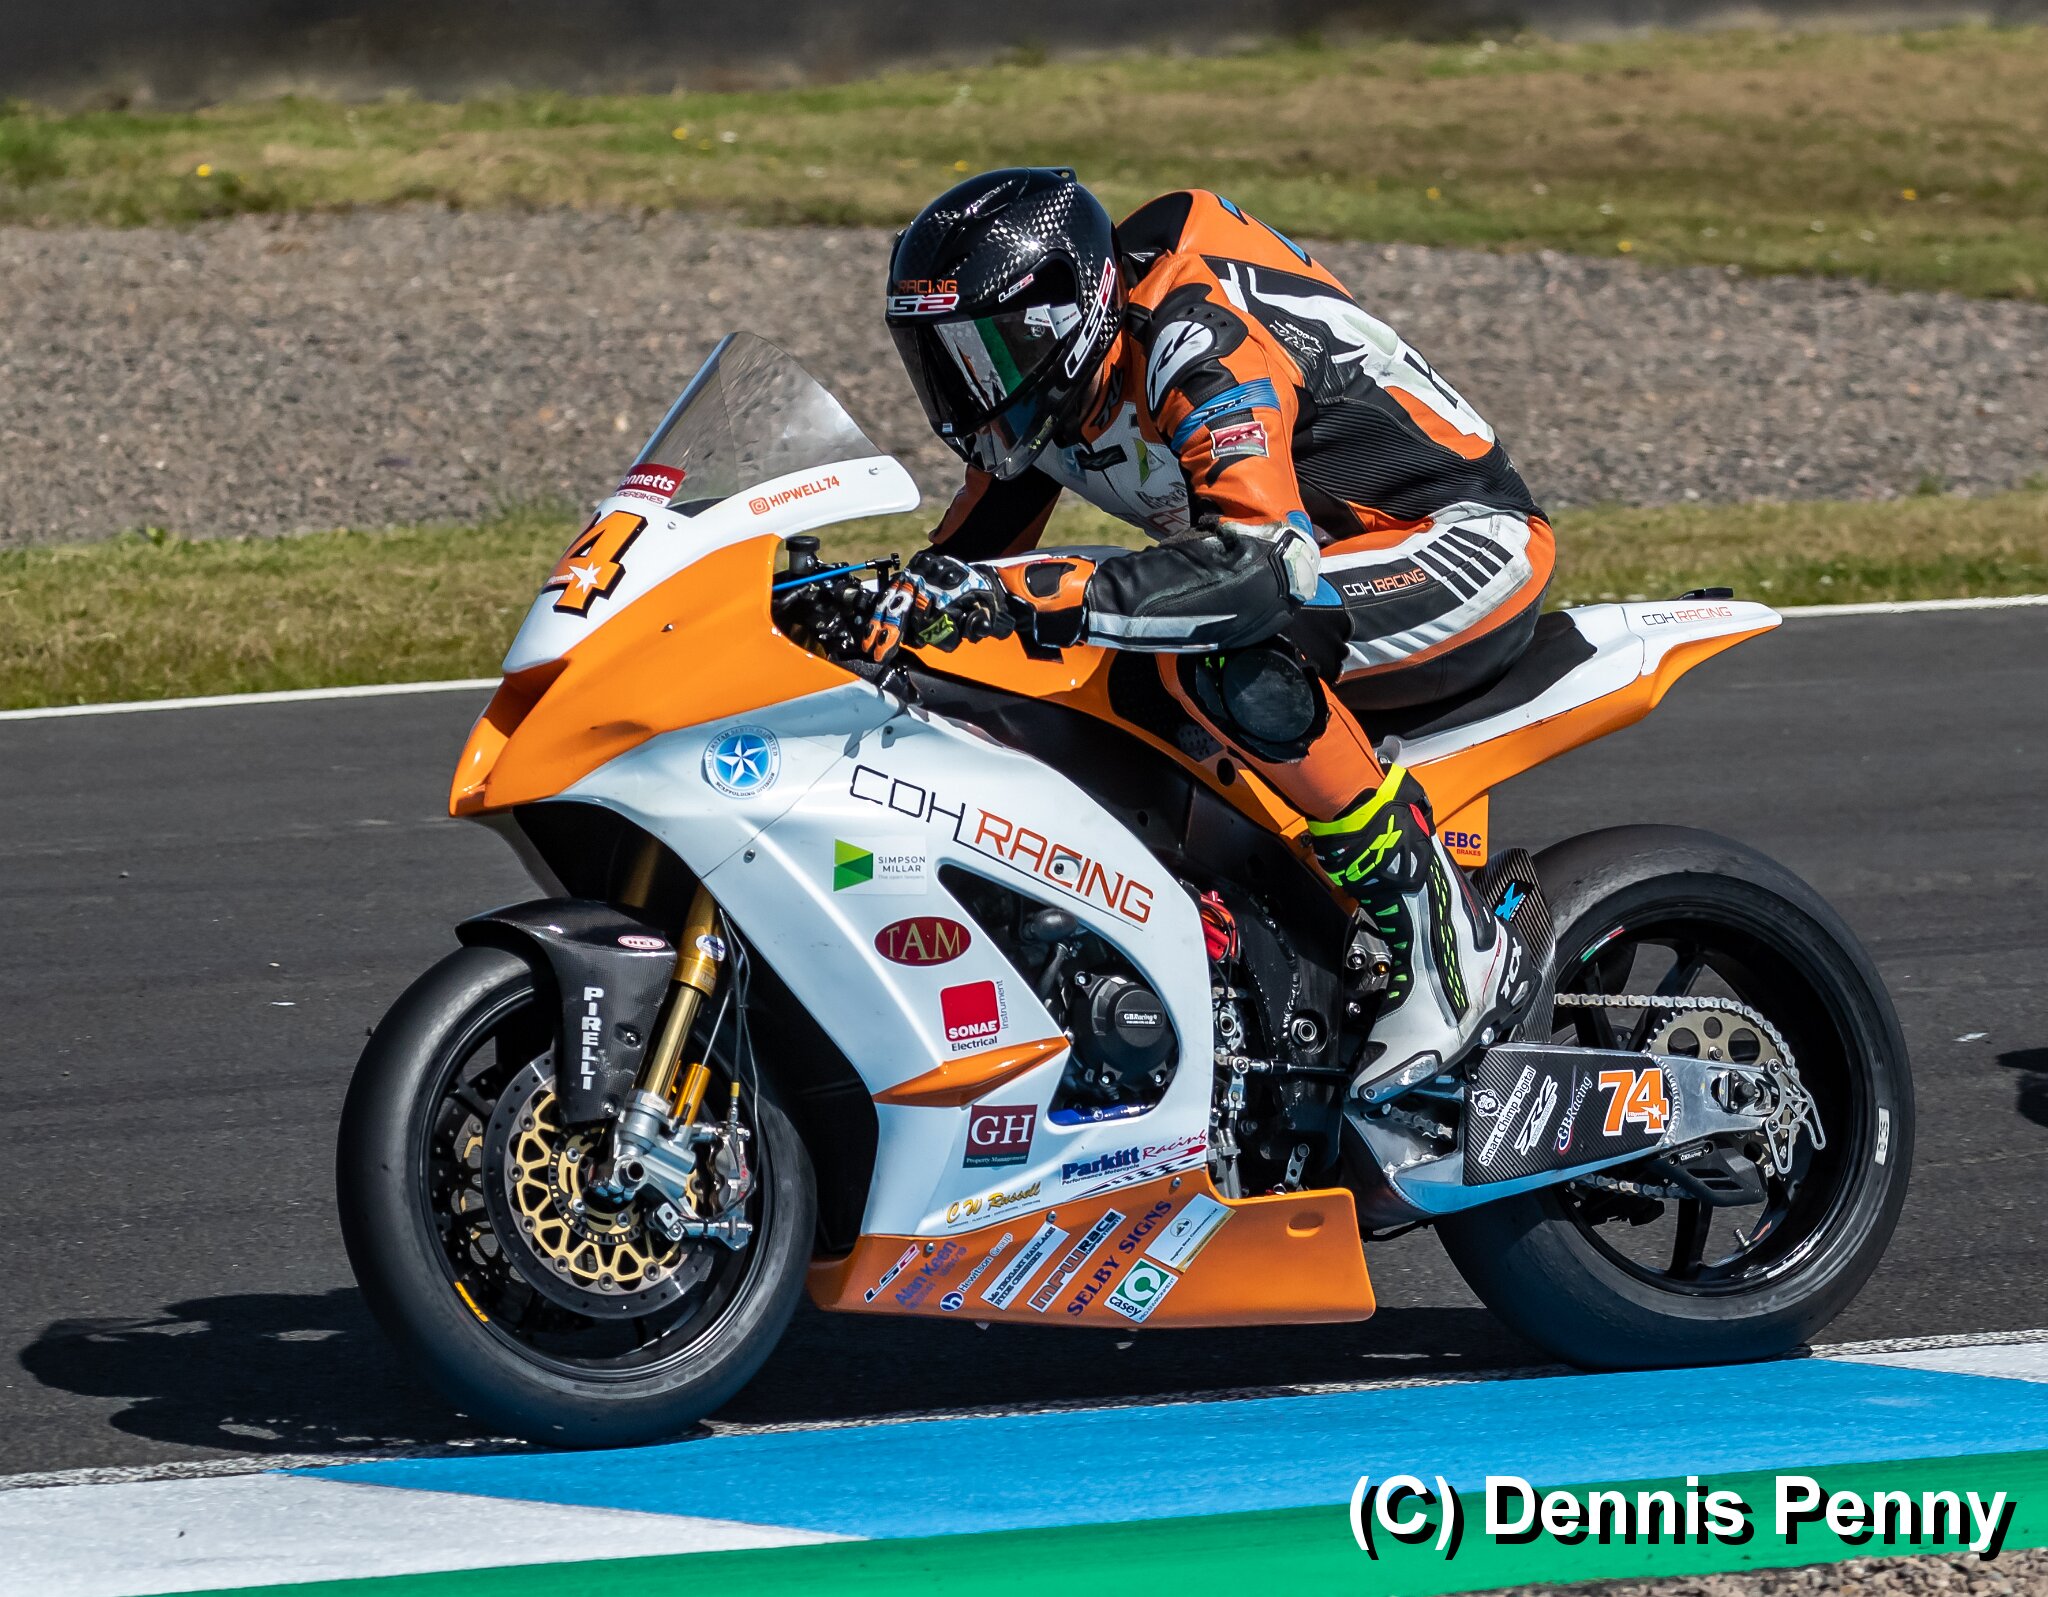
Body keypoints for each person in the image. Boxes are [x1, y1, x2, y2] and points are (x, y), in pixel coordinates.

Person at [870, 166, 1549, 1086]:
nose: (966, 389)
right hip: (1313, 565)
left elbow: (1263, 567)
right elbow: (953, 575)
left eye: (989, 352)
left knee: (1215, 646)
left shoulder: (1192, 338)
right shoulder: (1046, 400)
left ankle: (1448, 943)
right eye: (944, 361)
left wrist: (1059, 592)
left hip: (1458, 541)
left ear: (1068, 317)